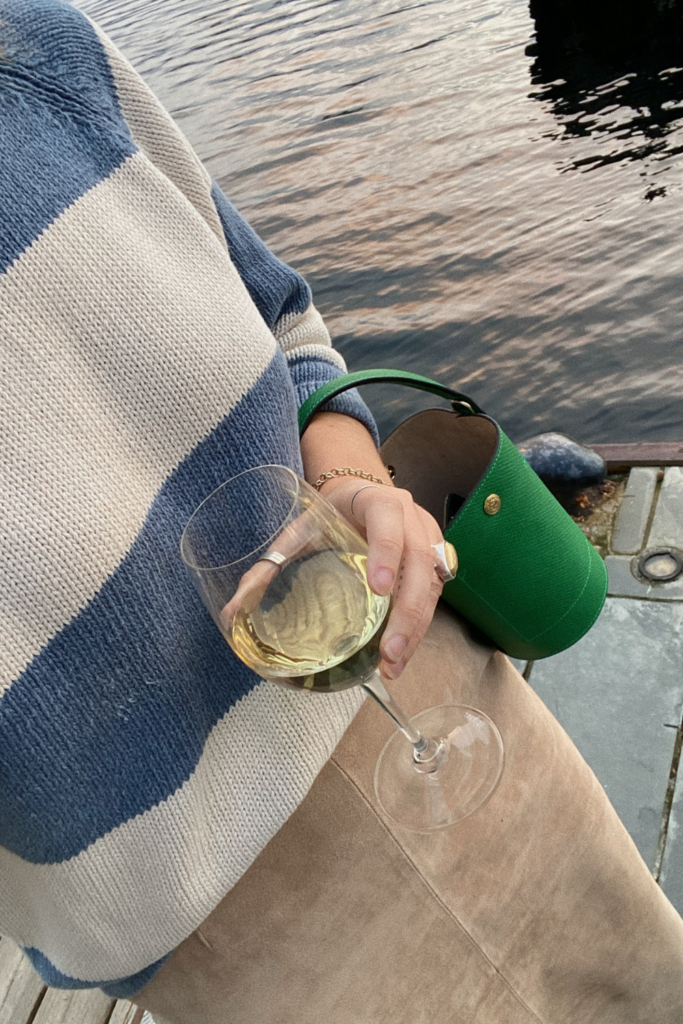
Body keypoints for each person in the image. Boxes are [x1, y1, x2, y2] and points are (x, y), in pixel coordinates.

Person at [1, 2, 682, 1021]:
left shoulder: (36, 54)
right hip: (216, 931)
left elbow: (286, 325)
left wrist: (352, 477)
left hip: (443, 692)